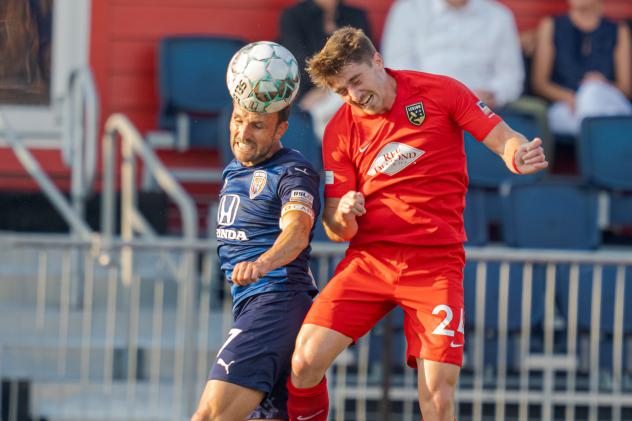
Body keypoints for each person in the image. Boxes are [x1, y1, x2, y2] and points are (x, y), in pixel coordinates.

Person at [285, 27, 548, 421]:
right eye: (341, 90)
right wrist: (344, 213)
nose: (353, 95)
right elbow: (336, 229)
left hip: (435, 264)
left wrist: (516, 155)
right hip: (370, 260)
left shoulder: (441, 92)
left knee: (438, 397)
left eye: (355, 81)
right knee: (304, 361)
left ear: (378, 61)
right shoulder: (340, 127)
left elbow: (503, 138)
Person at [191, 101, 321, 420]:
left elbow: (297, 231)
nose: (242, 133)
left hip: (275, 303)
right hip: (251, 305)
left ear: (281, 130)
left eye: (257, 126)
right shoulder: (235, 168)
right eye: (237, 120)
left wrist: (263, 264)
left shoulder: (294, 171)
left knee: (209, 415)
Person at [381, 0, 524, 110]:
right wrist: (433, 97)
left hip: (482, 111)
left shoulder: (498, 16)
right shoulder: (408, 10)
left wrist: (493, 94)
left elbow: (511, 77)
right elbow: (398, 69)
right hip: (425, 108)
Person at [532, 0, 632, 136]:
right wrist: (569, 97)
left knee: (592, 92)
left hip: (606, 102)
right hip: (567, 106)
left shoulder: (618, 30)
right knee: (589, 114)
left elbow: (626, 88)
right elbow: (540, 83)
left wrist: (602, 85)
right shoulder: (551, 25)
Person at [279, 0, 373, 140]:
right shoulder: (293, 17)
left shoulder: (356, 16)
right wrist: (323, 88)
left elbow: (367, 59)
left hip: (350, 91)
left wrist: (330, 89)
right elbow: (298, 64)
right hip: (312, 96)